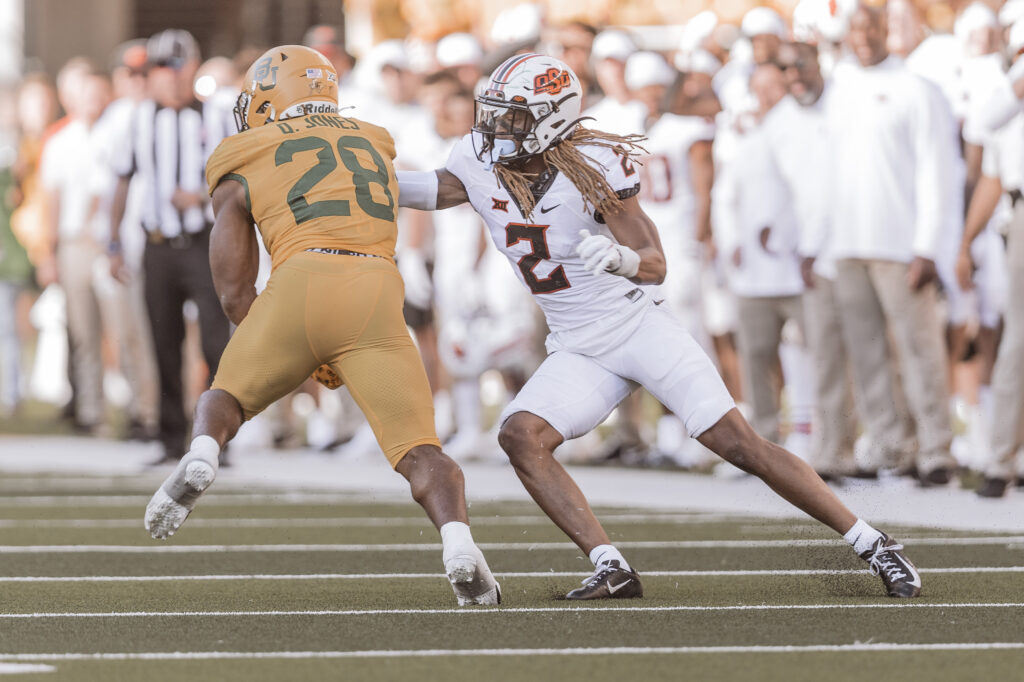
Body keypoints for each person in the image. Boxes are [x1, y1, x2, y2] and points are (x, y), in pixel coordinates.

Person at [397, 53, 923, 600]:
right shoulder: (480, 159)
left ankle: (872, 542)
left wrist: (623, 260)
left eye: (513, 117)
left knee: (737, 443)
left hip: (636, 326)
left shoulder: (593, 167)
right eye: (495, 113)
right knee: (520, 435)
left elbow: (654, 260)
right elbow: (440, 190)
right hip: (578, 346)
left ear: (552, 118)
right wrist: (365, 178)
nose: (495, 128)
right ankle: (610, 565)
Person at [142, 45, 499, 606]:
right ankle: (460, 544)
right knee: (420, 448)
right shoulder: (375, 138)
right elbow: (437, 190)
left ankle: (204, 453)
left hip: (303, 276)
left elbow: (235, 288)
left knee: (226, 393)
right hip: (379, 288)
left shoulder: (244, 150)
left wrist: (277, 340)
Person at [824, 4, 961, 484]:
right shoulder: (836, 89)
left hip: (900, 243)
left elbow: (938, 172)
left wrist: (928, 245)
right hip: (847, 243)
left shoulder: (916, 88)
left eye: (871, 26)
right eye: (854, 27)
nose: (862, 36)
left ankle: (936, 450)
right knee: (867, 353)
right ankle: (888, 446)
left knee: (919, 349)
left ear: (888, 30)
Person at [108, 29, 231, 464]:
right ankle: (169, 439)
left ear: (195, 66)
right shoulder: (137, 119)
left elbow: (237, 182)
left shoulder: (217, 117)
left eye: (179, 66)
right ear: (152, 75)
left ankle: (216, 438)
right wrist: (114, 243)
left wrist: (199, 196)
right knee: (163, 344)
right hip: (157, 245)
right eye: (163, 68)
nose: (172, 77)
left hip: (204, 244)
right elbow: (120, 182)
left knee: (217, 343)